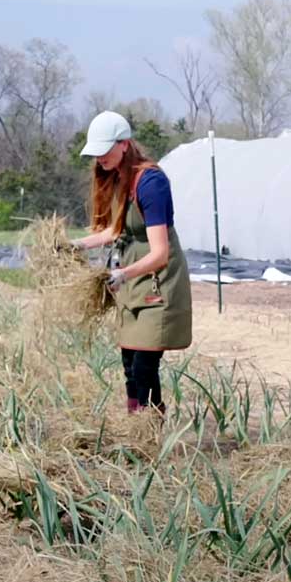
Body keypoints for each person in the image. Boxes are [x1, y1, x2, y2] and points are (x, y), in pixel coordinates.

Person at [72, 111, 192, 415]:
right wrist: (74, 245)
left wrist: (123, 274)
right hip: (131, 279)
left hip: (157, 282)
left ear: (124, 144)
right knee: (128, 364)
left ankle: (150, 427)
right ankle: (133, 425)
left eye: (104, 150)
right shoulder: (118, 179)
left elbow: (160, 253)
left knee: (144, 366)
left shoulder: (151, 183)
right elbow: (115, 230)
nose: (99, 158)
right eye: (95, 153)